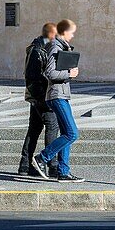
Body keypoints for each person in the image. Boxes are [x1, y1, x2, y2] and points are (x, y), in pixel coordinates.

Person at [32, 19, 83, 182]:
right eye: (72, 32)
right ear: (64, 32)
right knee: (72, 133)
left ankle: (63, 171)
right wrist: (70, 74)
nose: (73, 35)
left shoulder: (61, 46)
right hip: (56, 95)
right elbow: (50, 73)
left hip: (62, 94)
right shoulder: (55, 46)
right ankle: (42, 158)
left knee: (66, 133)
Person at [18, 22, 60, 178]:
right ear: (49, 34)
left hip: (37, 96)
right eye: (56, 34)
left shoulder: (40, 48)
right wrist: (43, 99)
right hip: (41, 97)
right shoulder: (37, 50)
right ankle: (51, 165)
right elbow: (33, 77)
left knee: (34, 129)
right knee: (52, 126)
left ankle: (24, 165)